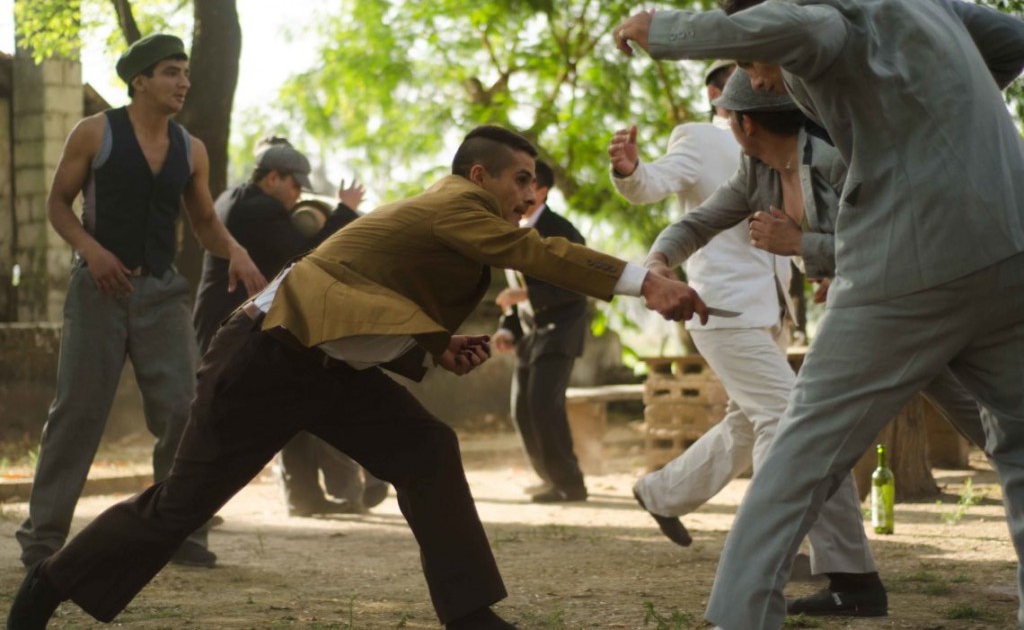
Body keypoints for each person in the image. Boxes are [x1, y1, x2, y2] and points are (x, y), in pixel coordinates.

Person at [7, 124, 705, 630]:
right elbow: (538, 252)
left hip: (329, 367)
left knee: (427, 449)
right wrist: (646, 282)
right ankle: (49, 582)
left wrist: (434, 346)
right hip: (267, 355)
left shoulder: (453, 219)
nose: (530, 191)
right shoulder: (457, 204)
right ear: (478, 176)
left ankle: (470, 614)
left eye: (533, 181)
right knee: (179, 507)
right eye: (519, 178)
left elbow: (365, 288)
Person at [612, 0, 1024, 630]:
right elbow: (1012, 41)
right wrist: (938, 128)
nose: (758, 81)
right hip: (1008, 245)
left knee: (798, 449)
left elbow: (799, 25)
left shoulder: (817, 11)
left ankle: (741, 614)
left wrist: (662, 29)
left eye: (753, 60)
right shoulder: (919, 3)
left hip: (904, 269)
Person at [643, 67, 989, 617]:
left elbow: (895, 237)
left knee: (986, 421)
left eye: (730, 118)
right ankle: (850, 582)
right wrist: (659, 262)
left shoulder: (837, 160)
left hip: (917, 303)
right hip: (871, 312)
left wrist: (804, 245)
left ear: (747, 125)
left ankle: (766, 594)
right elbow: (698, 223)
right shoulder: (757, 171)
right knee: (812, 430)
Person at [14, 34, 265, 573]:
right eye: (172, 72)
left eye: (185, 73)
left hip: (162, 294)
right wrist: (91, 250)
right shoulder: (95, 132)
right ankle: (42, 538)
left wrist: (237, 250)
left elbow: (204, 221)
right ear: (140, 81)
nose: (184, 82)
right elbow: (57, 205)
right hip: (98, 291)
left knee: (184, 409)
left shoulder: (190, 149)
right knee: (78, 413)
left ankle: (180, 532)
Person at [608, 60, 795, 551]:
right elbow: (654, 182)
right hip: (722, 308)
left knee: (745, 423)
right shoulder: (698, 137)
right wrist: (629, 171)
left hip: (775, 310)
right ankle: (780, 548)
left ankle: (661, 494)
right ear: (717, 94)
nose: (759, 83)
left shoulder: (783, 137)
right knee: (785, 417)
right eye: (743, 76)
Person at [192, 135, 388, 517]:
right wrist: (345, 211)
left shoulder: (232, 197)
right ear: (273, 178)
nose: (297, 195)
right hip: (236, 327)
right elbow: (307, 256)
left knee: (287, 401)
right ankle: (189, 502)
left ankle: (304, 495)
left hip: (237, 324)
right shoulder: (259, 208)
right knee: (223, 418)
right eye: (295, 185)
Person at [492, 160, 591, 503]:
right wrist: (508, 328)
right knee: (522, 410)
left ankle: (570, 484)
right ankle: (550, 478)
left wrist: (526, 296)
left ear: (543, 191)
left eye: (527, 183)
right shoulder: (514, 229)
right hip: (529, 336)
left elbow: (578, 284)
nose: (518, 191)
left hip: (560, 331)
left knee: (544, 406)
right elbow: (514, 291)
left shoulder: (562, 231)